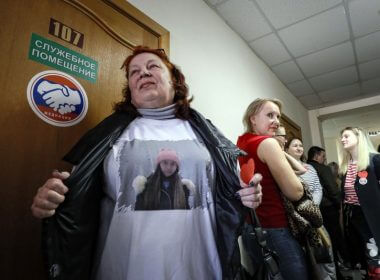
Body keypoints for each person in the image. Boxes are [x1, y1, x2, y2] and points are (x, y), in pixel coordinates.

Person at [30, 46, 263, 280]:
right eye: (134, 72)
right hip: (124, 269)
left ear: (174, 81)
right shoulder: (106, 136)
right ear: (130, 90)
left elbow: (229, 197)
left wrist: (248, 196)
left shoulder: (207, 135)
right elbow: (75, 202)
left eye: (153, 67)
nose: (143, 73)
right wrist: (50, 203)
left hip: (201, 268)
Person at [237, 98, 308, 280]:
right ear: (253, 118)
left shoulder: (241, 143)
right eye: (270, 115)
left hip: (251, 228)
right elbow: (296, 192)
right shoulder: (267, 144)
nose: (276, 121)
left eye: (278, 116)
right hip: (275, 228)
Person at [286, 138, 337, 280]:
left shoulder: (310, 168)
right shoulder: (283, 167)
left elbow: (318, 188)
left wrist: (312, 207)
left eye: (301, 145)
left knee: (325, 252)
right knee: (305, 259)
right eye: (294, 145)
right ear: (286, 149)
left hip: (313, 217)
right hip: (295, 220)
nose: (299, 147)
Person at [338, 127, 380, 279]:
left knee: (374, 255)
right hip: (353, 217)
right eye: (341, 137)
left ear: (358, 137)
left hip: (371, 217)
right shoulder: (346, 165)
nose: (343, 139)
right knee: (363, 255)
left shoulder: (374, 159)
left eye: (346, 136)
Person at [307, 146, 349, 280]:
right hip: (328, 208)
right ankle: (337, 274)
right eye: (323, 156)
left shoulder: (305, 167)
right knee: (333, 241)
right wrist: (339, 204)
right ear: (317, 156)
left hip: (312, 211)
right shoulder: (322, 168)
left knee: (321, 243)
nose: (324, 159)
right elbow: (332, 188)